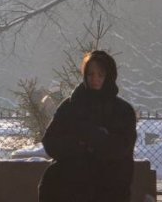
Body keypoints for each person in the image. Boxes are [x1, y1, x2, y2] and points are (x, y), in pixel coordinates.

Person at [39, 50, 137, 202]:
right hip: (69, 184)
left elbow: (122, 148)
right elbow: (50, 142)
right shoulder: (70, 106)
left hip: (109, 186)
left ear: (109, 76)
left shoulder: (122, 111)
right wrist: (79, 145)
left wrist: (94, 137)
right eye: (90, 74)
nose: (95, 79)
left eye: (100, 74)